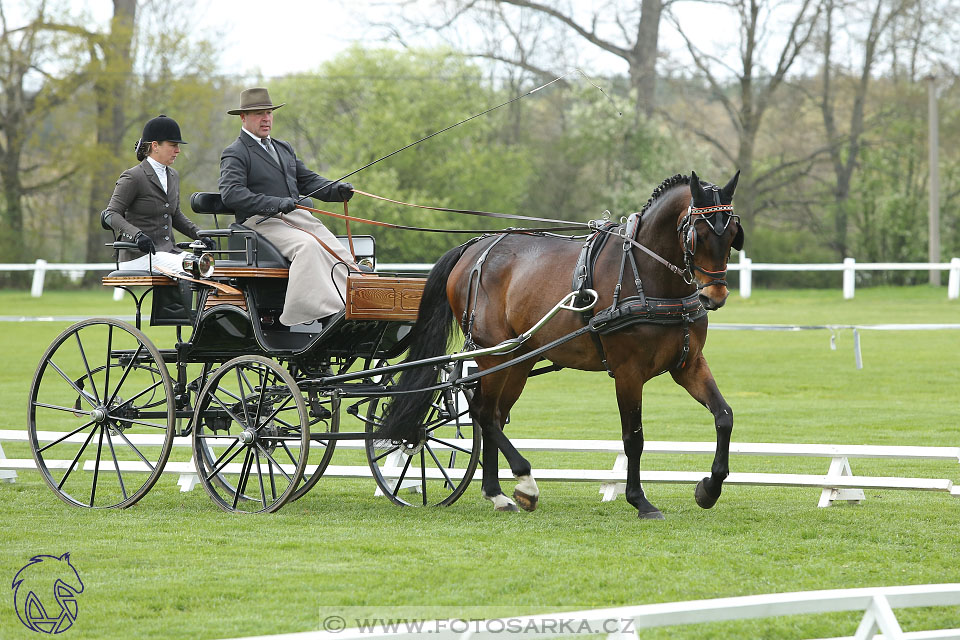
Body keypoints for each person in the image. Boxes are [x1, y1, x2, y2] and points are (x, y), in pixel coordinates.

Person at [219, 87, 357, 327]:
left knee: (340, 253)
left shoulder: (283, 148)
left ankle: (353, 304)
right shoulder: (236, 153)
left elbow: (309, 180)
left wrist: (336, 190)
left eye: (269, 112)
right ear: (243, 117)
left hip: (295, 219)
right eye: (259, 113)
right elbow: (232, 194)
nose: (266, 118)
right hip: (260, 223)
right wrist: (274, 203)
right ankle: (320, 312)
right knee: (308, 247)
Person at [105, 114, 212, 272]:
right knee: (192, 268)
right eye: (173, 145)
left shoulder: (173, 176)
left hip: (167, 252)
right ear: (155, 146)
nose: (178, 150)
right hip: (138, 255)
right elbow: (111, 214)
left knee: (207, 266)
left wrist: (200, 235)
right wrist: (137, 235)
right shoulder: (134, 176)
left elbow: (175, 216)